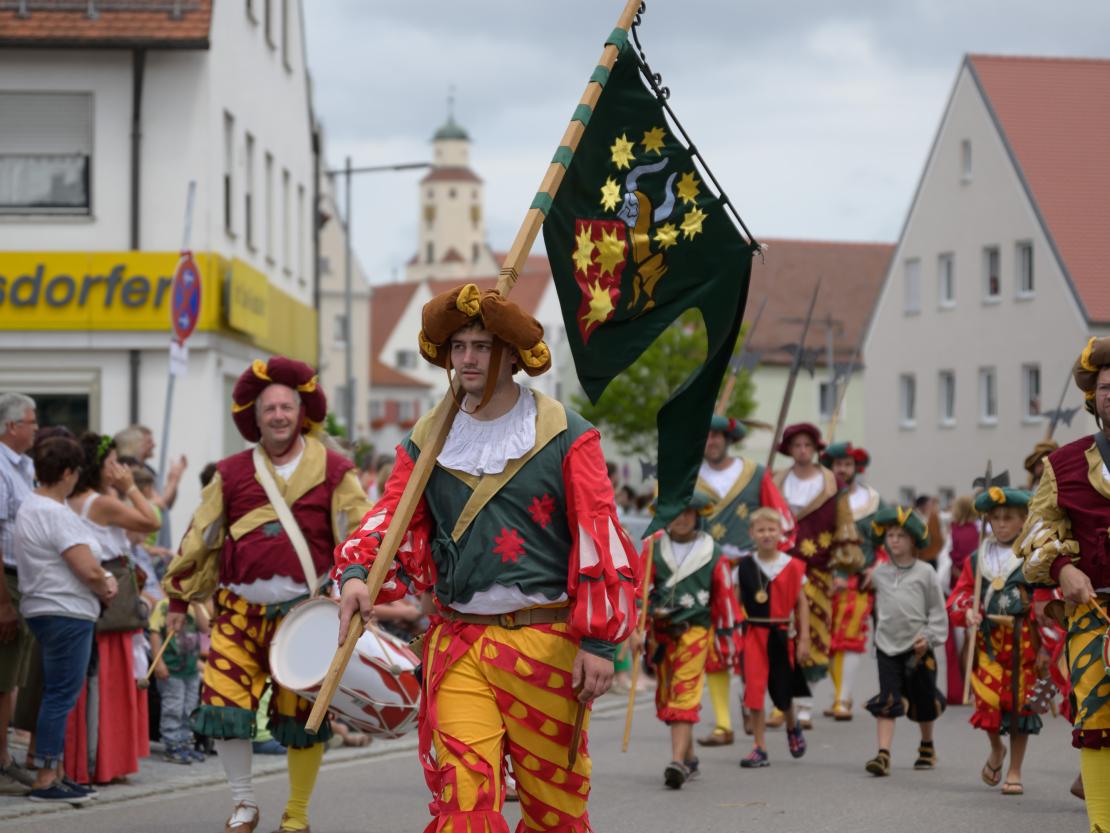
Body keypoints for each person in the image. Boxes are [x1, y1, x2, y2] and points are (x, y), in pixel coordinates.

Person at [335, 283, 639, 832]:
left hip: (545, 646)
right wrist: (358, 572)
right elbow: (392, 516)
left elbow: (601, 537)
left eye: (480, 345)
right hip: (459, 643)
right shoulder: (428, 437)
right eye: (458, 347)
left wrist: (598, 642)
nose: (467, 358)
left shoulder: (567, 434)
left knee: (555, 813)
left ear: (509, 355)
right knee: (464, 800)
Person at [161, 356, 371, 833]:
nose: (278, 415)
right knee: (224, 703)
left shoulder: (336, 470)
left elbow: (361, 535)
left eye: (286, 407)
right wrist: (178, 599)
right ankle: (243, 803)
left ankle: (296, 812)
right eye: (269, 408)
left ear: (302, 413)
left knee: (304, 716)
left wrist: (358, 589)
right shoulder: (230, 472)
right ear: (255, 418)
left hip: (306, 614)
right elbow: (202, 536)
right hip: (237, 610)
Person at [1018, 336, 1110, 832]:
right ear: (1092, 398)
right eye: (1106, 387)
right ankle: (1102, 823)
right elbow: (1036, 533)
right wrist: (1062, 570)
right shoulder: (1064, 464)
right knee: (1096, 716)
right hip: (1094, 612)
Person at [14, 435, 116, 803]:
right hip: (66, 609)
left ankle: (55, 771)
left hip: (44, 607)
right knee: (60, 695)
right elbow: (85, 568)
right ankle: (45, 776)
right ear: (69, 473)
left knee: (55, 691)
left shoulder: (30, 505)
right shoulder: (54, 512)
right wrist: (105, 582)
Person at [695, 414, 792, 746]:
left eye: (717, 435)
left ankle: (754, 707)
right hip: (708, 571)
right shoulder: (689, 475)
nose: (712, 441)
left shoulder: (755, 474)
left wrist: (777, 563)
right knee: (717, 644)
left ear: (728, 438)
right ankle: (724, 723)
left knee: (757, 644)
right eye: (705, 435)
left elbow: (781, 519)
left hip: (753, 573)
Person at [639, 491, 739, 788]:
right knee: (669, 695)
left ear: (698, 515)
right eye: (675, 512)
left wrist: (725, 640)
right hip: (661, 636)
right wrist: (636, 629)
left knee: (684, 691)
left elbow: (725, 600)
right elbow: (637, 591)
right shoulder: (652, 547)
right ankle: (690, 757)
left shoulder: (713, 552)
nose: (681, 519)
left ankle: (678, 763)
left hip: (696, 631)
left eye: (688, 512)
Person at [947, 487, 1039, 796]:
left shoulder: (1034, 555)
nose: (1001, 524)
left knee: (1019, 708)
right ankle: (996, 748)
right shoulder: (977, 558)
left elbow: (1045, 596)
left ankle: (1015, 769)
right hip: (987, 642)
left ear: (1023, 520)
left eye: (1008, 518)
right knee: (986, 700)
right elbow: (960, 594)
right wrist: (968, 611)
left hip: (1022, 642)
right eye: (996, 518)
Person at [772, 423, 862, 728]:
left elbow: (844, 526)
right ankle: (780, 700)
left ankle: (806, 703)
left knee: (813, 632)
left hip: (818, 568)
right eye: (796, 445)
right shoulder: (777, 480)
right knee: (782, 631)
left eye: (807, 445)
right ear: (789, 450)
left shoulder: (832, 484)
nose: (802, 451)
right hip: (781, 566)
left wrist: (840, 568)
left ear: (815, 449)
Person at [863, 507, 947, 776]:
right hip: (887, 645)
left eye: (901, 535)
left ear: (913, 540)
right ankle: (883, 754)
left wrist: (930, 637)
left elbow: (936, 610)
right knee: (887, 700)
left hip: (918, 647)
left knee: (923, 700)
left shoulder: (926, 573)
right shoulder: (879, 573)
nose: (894, 540)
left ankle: (927, 745)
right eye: (890, 535)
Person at [737, 508, 810, 767]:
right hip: (753, 634)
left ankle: (792, 725)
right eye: (761, 530)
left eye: (771, 529)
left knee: (783, 690)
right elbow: (735, 603)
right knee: (754, 690)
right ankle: (759, 747)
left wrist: (804, 639)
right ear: (752, 534)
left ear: (780, 532)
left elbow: (802, 604)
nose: (767, 534)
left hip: (781, 634)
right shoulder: (744, 566)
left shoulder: (792, 566)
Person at [821, 442, 886, 721]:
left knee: (849, 638)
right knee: (824, 640)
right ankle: (839, 696)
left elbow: (887, 539)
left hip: (859, 579)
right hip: (824, 578)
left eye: (848, 465)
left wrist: (879, 567)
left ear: (856, 468)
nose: (843, 470)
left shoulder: (872, 500)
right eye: (838, 465)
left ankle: (843, 699)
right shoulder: (821, 498)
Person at [0, 392, 37, 789]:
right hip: (5, 580)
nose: (36, 429)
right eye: (32, 423)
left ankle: (4, 755)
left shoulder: (24, 466)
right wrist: (3, 603)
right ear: (12, 427)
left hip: (20, 578)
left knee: (10, 677)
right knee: (3, 674)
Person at [149, 596, 208, 764]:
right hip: (171, 669)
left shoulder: (196, 607)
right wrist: (158, 662)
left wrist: (196, 603)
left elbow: (205, 628)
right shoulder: (164, 606)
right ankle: (172, 744)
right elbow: (154, 633)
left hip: (191, 670)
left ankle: (186, 743)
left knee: (190, 707)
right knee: (173, 706)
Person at [944, 495, 980, 703]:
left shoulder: (953, 531)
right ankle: (973, 686)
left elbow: (949, 564)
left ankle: (966, 687)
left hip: (959, 591)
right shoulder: (980, 530)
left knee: (963, 643)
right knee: (972, 641)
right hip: (978, 588)